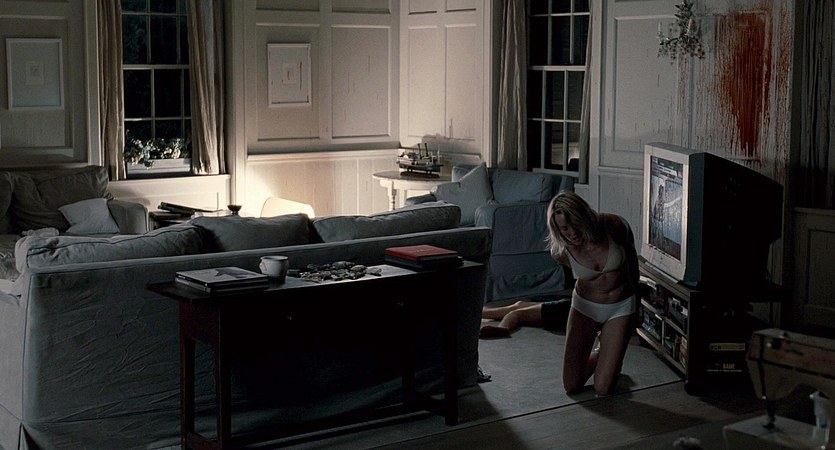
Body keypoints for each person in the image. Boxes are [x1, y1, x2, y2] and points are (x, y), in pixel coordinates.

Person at [546, 191, 639, 396]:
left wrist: (637, 304)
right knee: (571, 385)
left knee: (603, 388)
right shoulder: (560, 252)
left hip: (620, 306)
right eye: (564, 228)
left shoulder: (613, 226)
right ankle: (601, 352)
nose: (572, 233)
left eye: (575, 223)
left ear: (584, 216)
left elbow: (633, 262)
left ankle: (610, 355)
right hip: (585, 307)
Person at [479, 298, 571, 338]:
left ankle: (503, 327)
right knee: (520, 305)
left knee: (517, 313)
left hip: (567, 309)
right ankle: (478, 312)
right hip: (569, 305)